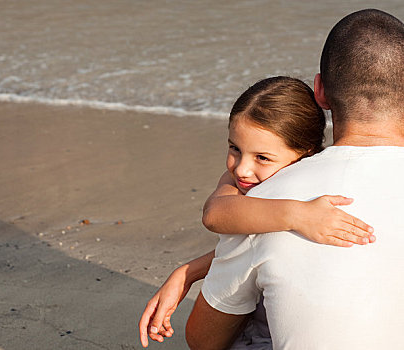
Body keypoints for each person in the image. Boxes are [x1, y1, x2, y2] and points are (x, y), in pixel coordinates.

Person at [186, 8, 404, 350]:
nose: (243, 169)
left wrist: (190, 272)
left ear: (320, 91)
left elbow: (202, 341)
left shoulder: (266, 203)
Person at [139, 77, 374, 348]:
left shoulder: (315, 195)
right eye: (234, 149)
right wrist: (187, 272)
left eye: (261, 157)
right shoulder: (247, 185)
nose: (241, 169)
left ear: (305, 155)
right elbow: (215, 213)